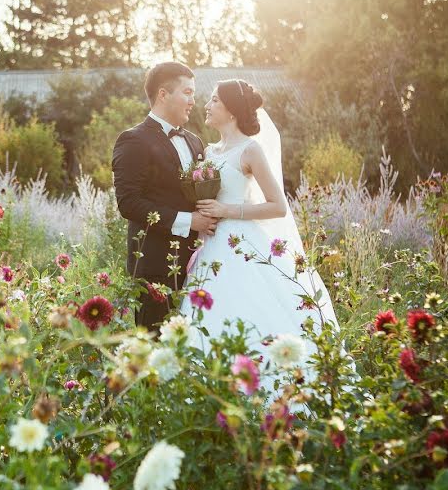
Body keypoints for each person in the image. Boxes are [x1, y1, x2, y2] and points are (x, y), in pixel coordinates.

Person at [179, 79, 339, 389]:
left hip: (243, 244)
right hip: (212, 246)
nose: (207, 106)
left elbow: (277, 206)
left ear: (232, 111)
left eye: (214, 101)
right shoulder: (209, 151)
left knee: (250, 311)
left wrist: (227, 211)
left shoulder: (250, 150)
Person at [112, 62, 218, 330]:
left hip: (197, 266)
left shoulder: (195, 141)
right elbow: (129, 203)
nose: (193, 101)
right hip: (155, 268)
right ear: (163, 94)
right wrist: (188, 221)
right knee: (156, 353)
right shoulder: (133, 140)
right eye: (187, 92)